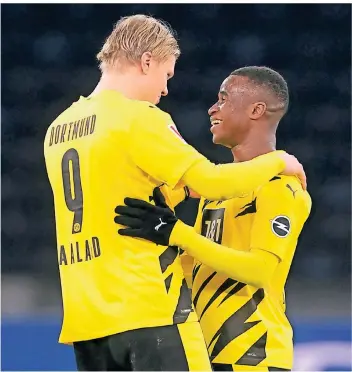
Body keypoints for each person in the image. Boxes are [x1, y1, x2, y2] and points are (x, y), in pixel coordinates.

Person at [44, 12, 306, 371]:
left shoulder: (58, 129)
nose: (165, 90)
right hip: (149, 307)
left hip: (86, 318)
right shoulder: (140, 118)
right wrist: (279, 161)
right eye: (166, 75)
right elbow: (211, 180)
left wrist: (176, 211)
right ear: (147, 61)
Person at [115, 66, 312, 371]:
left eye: (223, 98)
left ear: (256, 110)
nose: (212, 108)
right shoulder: (216, 189)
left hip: (254, 355)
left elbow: (260, 270)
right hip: (206, 354)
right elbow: (195, 264)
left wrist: (177, 233)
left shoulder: (280, 188)